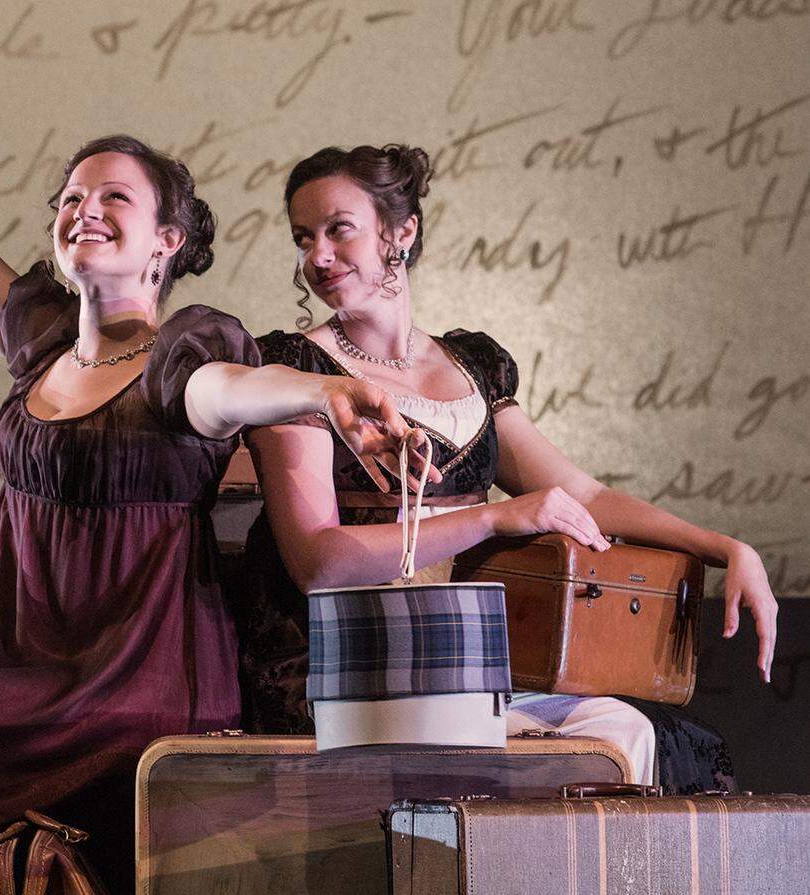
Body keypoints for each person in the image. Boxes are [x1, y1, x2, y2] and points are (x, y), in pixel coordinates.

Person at [0, 23, 420, 894]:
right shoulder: (40, 341)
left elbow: (223, 393)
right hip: (10, 652)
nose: (86, 209)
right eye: (72, 197)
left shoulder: (188, 350)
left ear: (166, 240)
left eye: (116, 198)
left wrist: (320, 394)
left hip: (131, 667)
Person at [239, 143, 776, 791]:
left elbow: (581, 491)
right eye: (303, 237)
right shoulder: (294, 370)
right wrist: (494, 516)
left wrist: (726, 546)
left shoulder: (471, 364)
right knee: (563, 758)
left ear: (401, 231)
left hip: (461, 665)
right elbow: (319, 562)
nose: (317, 256)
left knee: (626, 730)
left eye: (337, 229)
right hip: (343, 672)